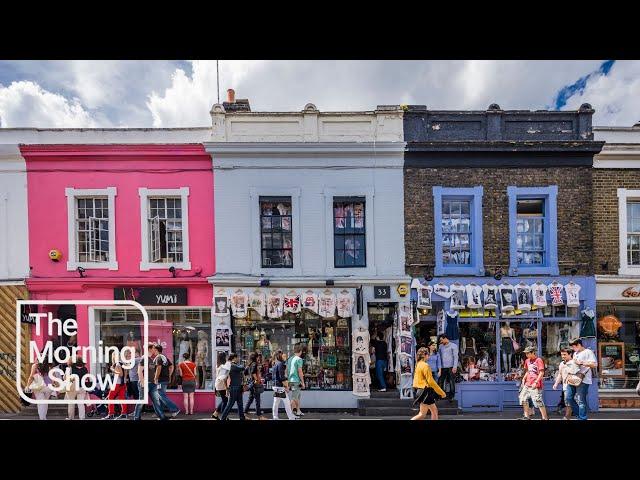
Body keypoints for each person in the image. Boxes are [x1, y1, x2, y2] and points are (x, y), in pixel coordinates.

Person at [411, 347, 446, 420]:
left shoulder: (418, 364)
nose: (429, 357)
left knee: (434, 411)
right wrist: (441, 392)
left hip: (422, 390)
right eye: (428, 355)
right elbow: (431, 382)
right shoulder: (425, 365)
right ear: (424, 355)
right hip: (425, 391)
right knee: (422, 414)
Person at [566, 338, 597, 421]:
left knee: (581, 400)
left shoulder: (588, 352)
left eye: (574, 347)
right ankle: (579, 415)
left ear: (579, 345)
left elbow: (594, 364)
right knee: (568, 397)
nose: (573, 349)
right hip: (573, 377)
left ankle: (582, 418)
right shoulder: (575, 353)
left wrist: (581, 363)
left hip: (584, 379)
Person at [151, 343, 180, 420]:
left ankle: (175, 409)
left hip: (160, 380)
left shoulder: (158, 358)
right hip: (165, 379)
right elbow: (171, 366)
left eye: (153, 348)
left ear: (156, 350)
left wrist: (155, 378)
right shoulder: (164, 357)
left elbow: (158, 368)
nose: (152, 350)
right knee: (159, 396)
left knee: (161, 395)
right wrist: (169, 375)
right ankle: (160, 413)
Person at [519, 346, 549, 420]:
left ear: (533, 353)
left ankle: (545, 418)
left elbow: (542, 372)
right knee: (523, 399)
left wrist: (536, 382)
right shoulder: (527, 361)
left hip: (535, 384)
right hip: (527, 383)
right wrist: (524, 378)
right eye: (526, 353)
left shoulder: (538, 360)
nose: (526, 355)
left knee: (538, 400)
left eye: (528, 353)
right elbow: (528, 371)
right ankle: (526, 416)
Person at [220, 352, 246, 421]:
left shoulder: (234, 365)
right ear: (234, 358)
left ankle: (242, 418)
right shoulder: (232, 366)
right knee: (230, 405)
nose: (238, 359)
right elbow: (242, 368)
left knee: (240, 404)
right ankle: (223, 418)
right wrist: (227, 389)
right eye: (237, 357)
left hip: (238, 387)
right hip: (234, 388)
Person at [271, 350, 297, 420]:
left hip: (275, 385)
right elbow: (281, 377)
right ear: (280, 355)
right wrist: (287, 386)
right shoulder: (281, 364)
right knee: (287, 403)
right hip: (280, 386)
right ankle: (291, 417)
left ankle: (275, 416)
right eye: (282, 354)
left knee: (276, 402)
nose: (284, 356)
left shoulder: (275, 364)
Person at [103, 352, 129, 420]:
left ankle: (111, 414)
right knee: (122, 399)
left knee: (110, 398)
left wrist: (112, 369)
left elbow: (120, 374)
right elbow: (125, 374)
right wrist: (125, 381)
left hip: (117, 383)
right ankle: (124, 414)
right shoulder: (123, 363)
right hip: (123, 384)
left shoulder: (117, 364)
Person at [553, 348, 576, 420]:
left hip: (574, 385)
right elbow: (560, 374)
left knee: (569, 400)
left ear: (570, 354)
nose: (563, 356)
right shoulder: (562, 363)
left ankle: (567, 416)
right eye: (562, 355)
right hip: (565, 385)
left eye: (565, 355)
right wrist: (556, 384)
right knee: (567, 401)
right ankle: (570, 415)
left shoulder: (574, 363)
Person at [132, 344, 154, 421]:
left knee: (155, 400)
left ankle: (161, 415)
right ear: (150, 349)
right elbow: (139, 371)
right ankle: (136, 417)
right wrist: (142, 382)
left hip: (151, 383)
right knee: (141, 400)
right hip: (144, 383)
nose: (155, 349)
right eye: (153, 348)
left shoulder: (150, 359)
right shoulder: (144, 358)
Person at [437, 334, 459, 401]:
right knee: (440, 381)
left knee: (451, 382)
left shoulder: (454, 346)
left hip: (451, 367)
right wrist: (439, 367)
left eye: (441, 340)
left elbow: (456, 357)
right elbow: (439, 357)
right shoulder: (440, 346)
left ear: (445, 338)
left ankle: (451, 396)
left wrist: (455, 367)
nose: (441, 342)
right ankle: (440, 395)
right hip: (442, 367)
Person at [245, 352, 266, 420]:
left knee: (251, 399)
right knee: (257, 400)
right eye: (257, 357)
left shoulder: (249, 364)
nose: (258, 358)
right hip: (254, 383)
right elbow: (254, 372)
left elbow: (245, 373)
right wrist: (257, 380)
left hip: (251, 383)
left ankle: (245, 411)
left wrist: (250, 378)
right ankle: (259, 415)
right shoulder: (254, 364)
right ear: (255, 357)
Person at [287, 345, 306, 416]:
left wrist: (288, 380)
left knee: (297, 396)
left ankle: (298, 410)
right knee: (295, 397)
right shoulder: (299, 359)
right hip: (296, 380)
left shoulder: (290, 359)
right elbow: (300, 371)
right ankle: (290, 413)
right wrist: (303, 382)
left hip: (290, 380)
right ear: (300, 351)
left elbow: (287, 370)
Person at [212, 351, 231, 420]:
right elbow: (224, 379)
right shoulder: (224, 367)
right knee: (225, 401)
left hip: (218, 384)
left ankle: (215, 414)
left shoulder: (218, 365)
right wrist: (226, 388)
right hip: (222, 385)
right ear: (224, 358)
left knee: (224, 400)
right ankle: (224, 416)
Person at [125, 348, 140, 418]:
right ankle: (137, 411)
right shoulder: (136, 360)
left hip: (135, 380)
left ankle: (137, 412)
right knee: (136, 396)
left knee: (137, 396)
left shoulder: (137, 359)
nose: (131, 355)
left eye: (132, 353)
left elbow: (127, 365)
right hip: (133, 379)